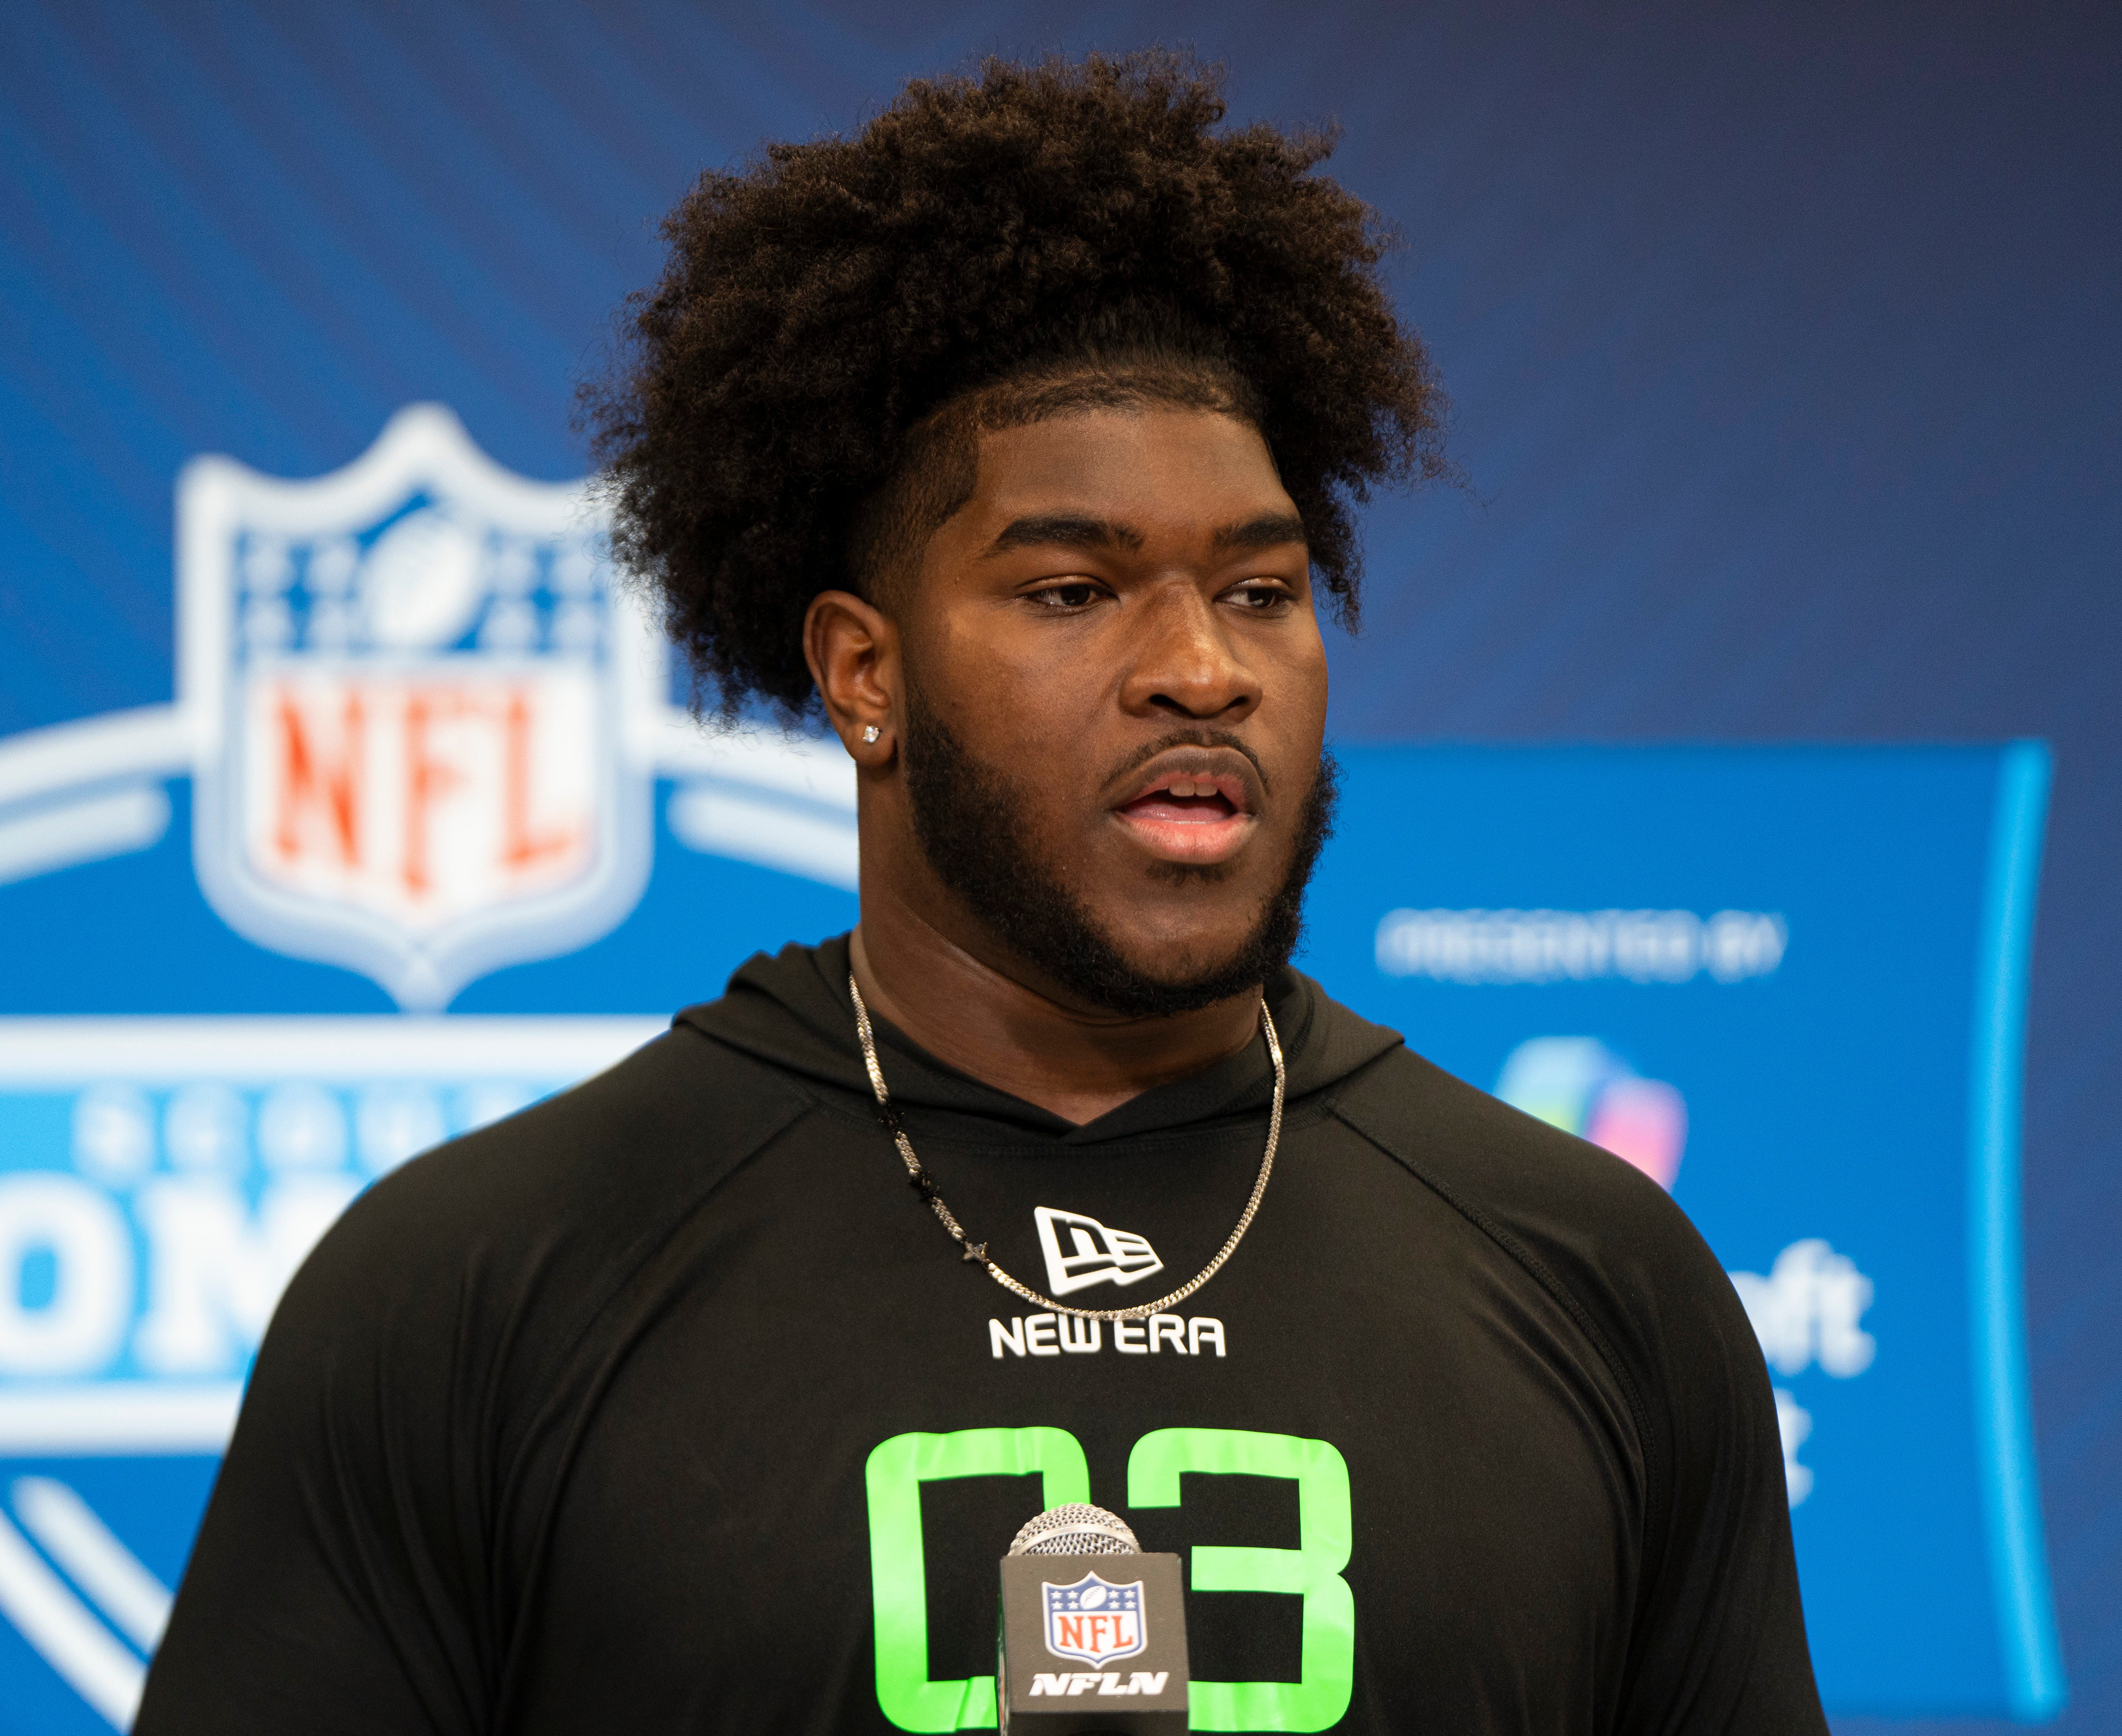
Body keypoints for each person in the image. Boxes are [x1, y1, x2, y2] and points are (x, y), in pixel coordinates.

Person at [138, 52, 1824, 1735]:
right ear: (863, 672)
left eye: (1259, 589)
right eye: (1076, 588)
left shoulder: (1598, 1273)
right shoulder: (480, 1285)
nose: (1198, 667)